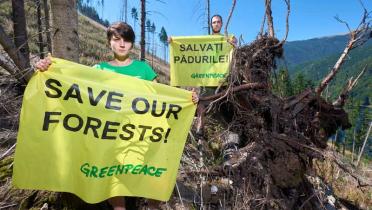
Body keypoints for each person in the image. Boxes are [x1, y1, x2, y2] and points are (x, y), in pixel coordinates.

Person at [36, 21, 198, 210]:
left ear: (132, 44)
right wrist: (48, 68)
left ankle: (152, 206)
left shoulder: (143, 69)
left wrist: (187, 99)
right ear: (109, 42)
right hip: (110, 136)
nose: (122, 44)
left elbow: (162, 96)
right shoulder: (99, 70)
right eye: (117, 39)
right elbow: (74, 89)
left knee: (150, 173)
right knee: (114, 175)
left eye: (127, 40)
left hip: (141, 134)